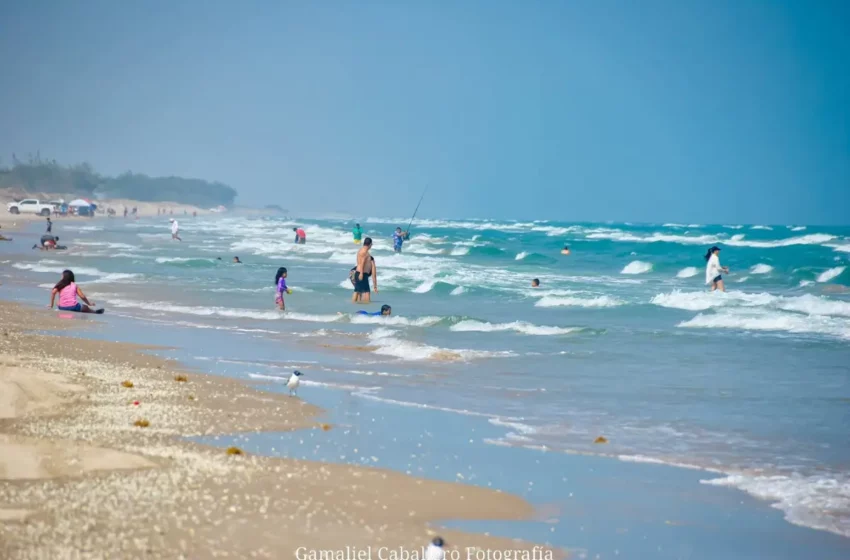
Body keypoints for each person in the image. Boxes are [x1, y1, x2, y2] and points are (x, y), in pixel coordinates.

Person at [353, 238, 377, 303]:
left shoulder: (361, 250)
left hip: (358, 272)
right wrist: (361, 273)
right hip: (362, 273)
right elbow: (362, 263)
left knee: (357, 290)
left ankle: (353, 304)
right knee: (367, 292)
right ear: (370, 244)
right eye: (371, 244)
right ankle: (367, 305)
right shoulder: (365, 252)